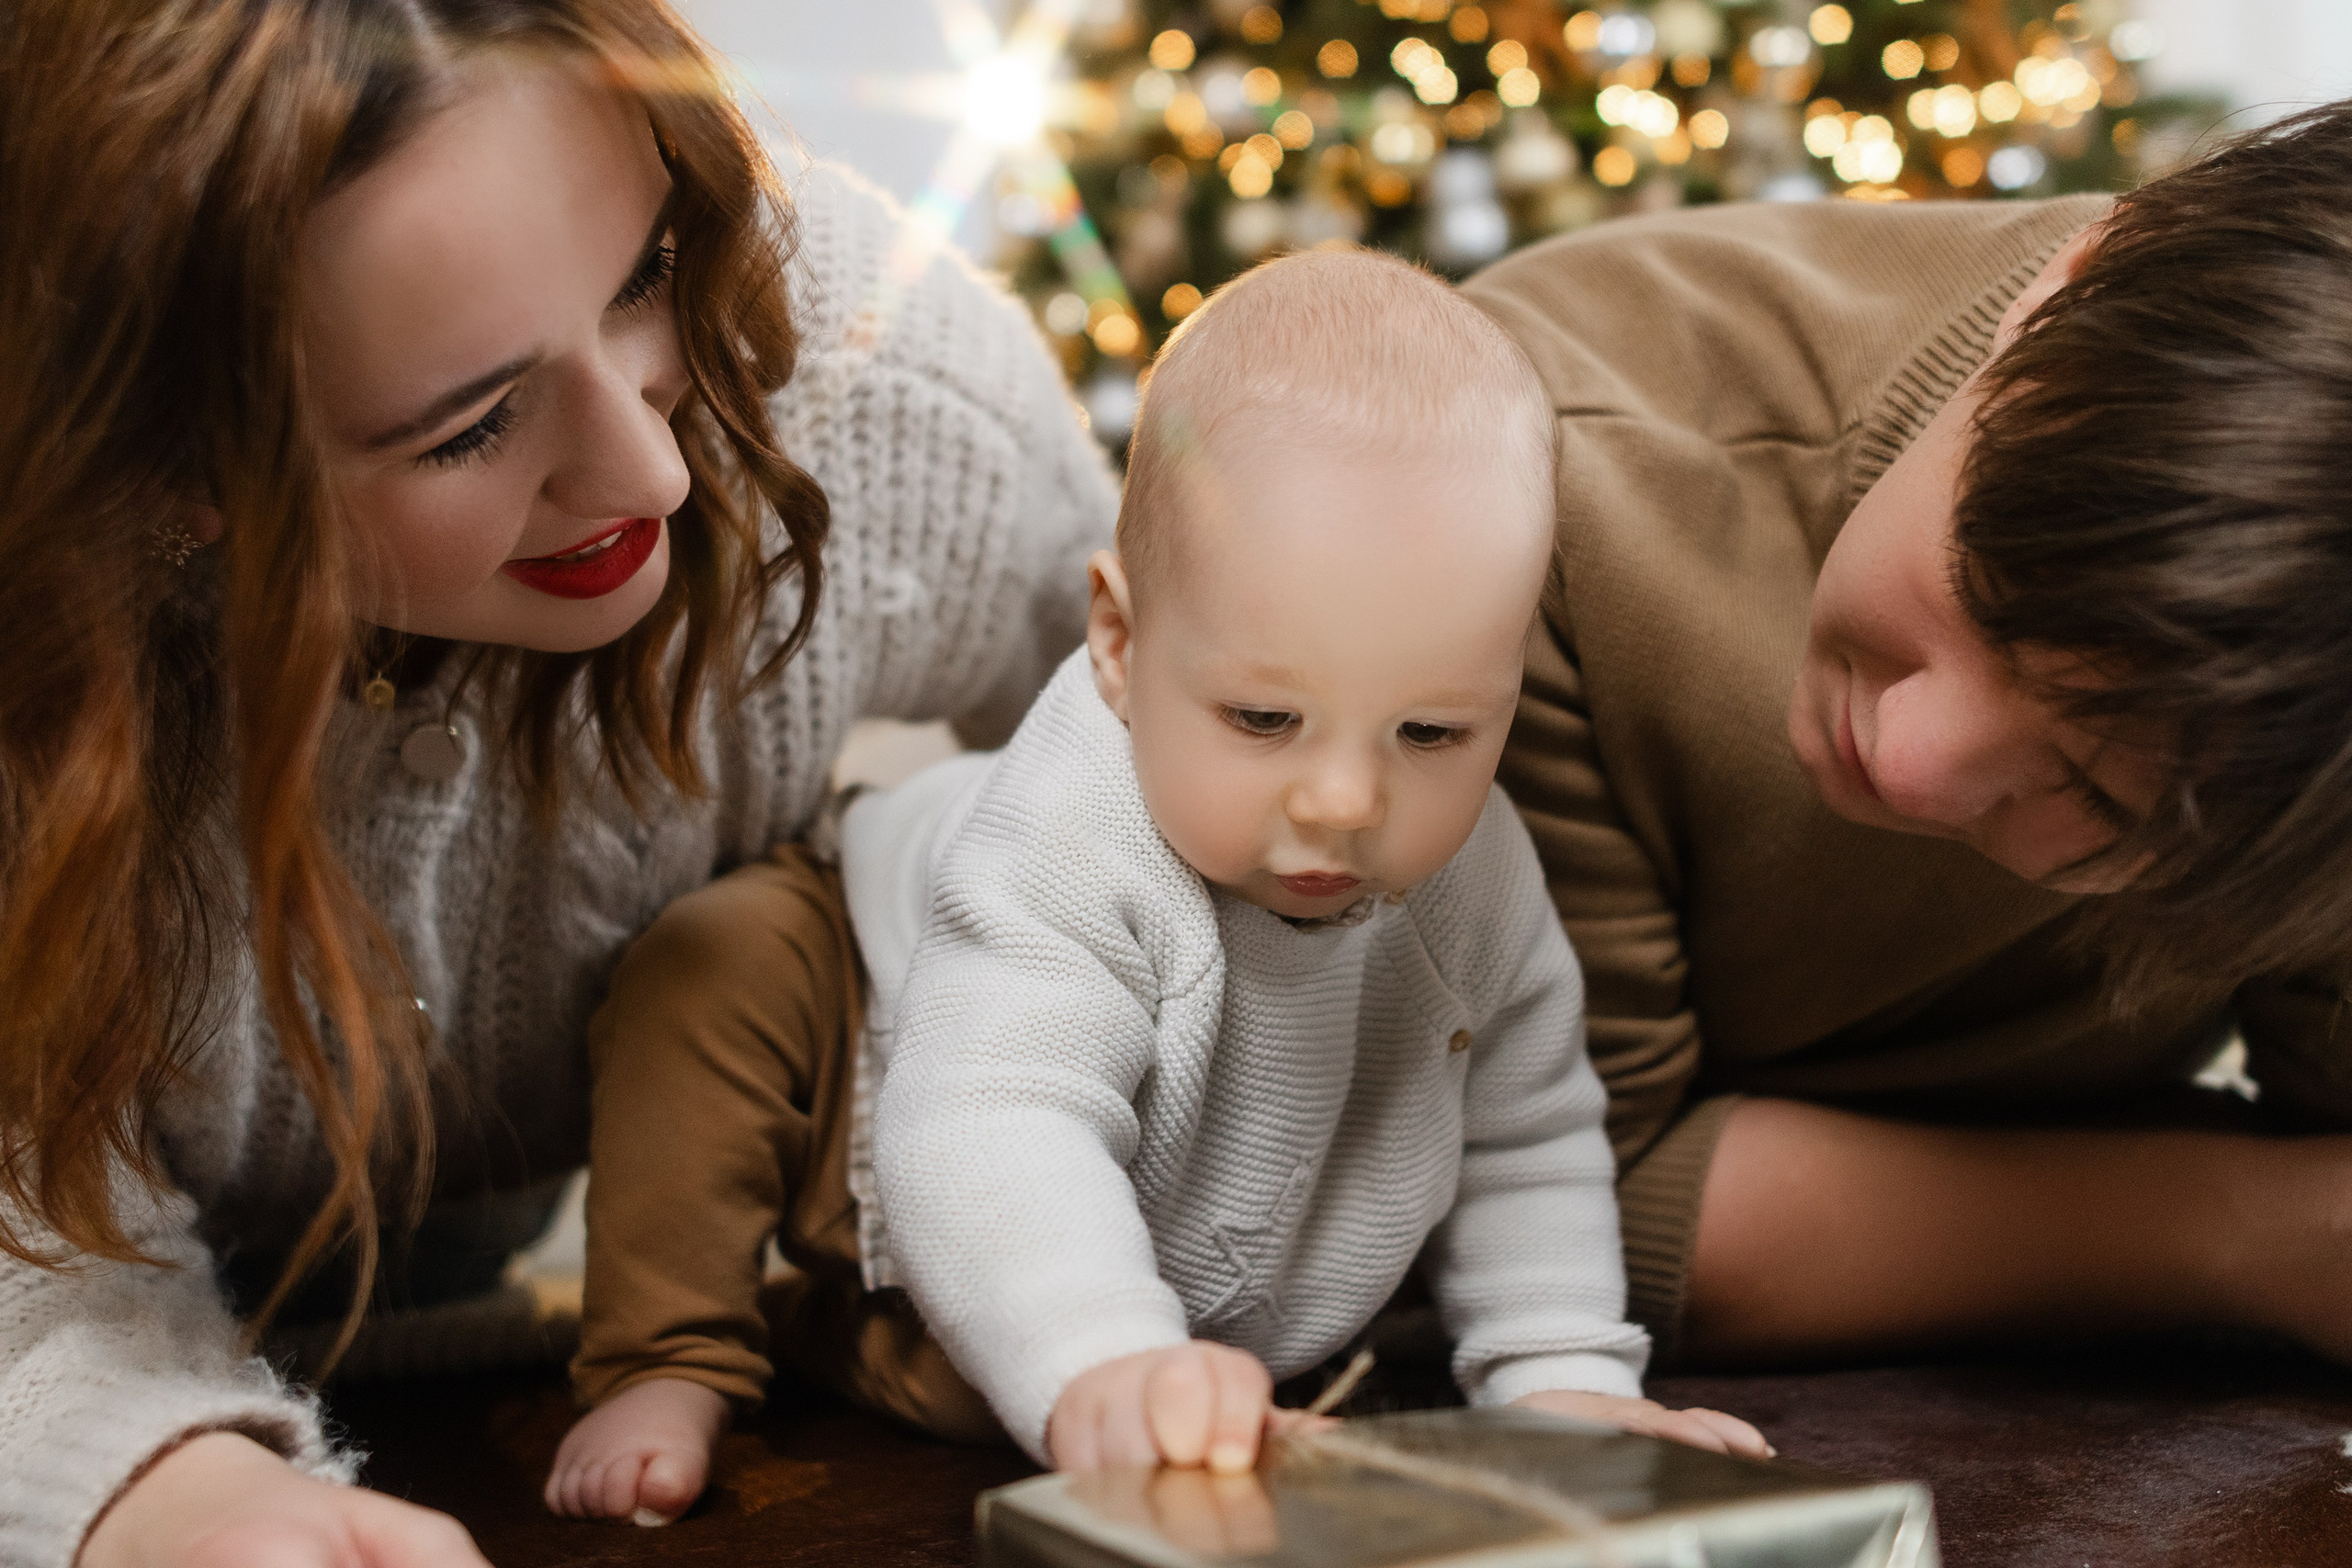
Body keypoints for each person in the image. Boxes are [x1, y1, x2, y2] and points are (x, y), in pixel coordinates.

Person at [0, 3, 1114, 1564]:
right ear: (171, 473)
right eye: (472, 427)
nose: (656, 475)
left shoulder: (876, 376)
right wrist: (148, 1485)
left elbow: (1185, 773)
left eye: (648, 274)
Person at [545, 248, 1770, 1527]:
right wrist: (1104, 1351)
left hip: (1142, 1208)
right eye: (1262, 716)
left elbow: (1526, 1134)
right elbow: (992, 1120)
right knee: (707, 972)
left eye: (1432, 734)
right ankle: (669, 1355)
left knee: (1013, 1396)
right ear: (1121, 644)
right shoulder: (1071, 835)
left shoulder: (1482, 883)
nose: (1344, 802)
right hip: (867, 1019)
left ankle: (835, 1329)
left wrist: (1560, 1374)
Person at [1462, 100, 2352, 1375]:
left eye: (2102, 806)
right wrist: (2249, 1230)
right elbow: (1546, 1226)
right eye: (1986, 589)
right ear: (2061, 293)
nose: (1911, 760)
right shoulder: (1519, 483)